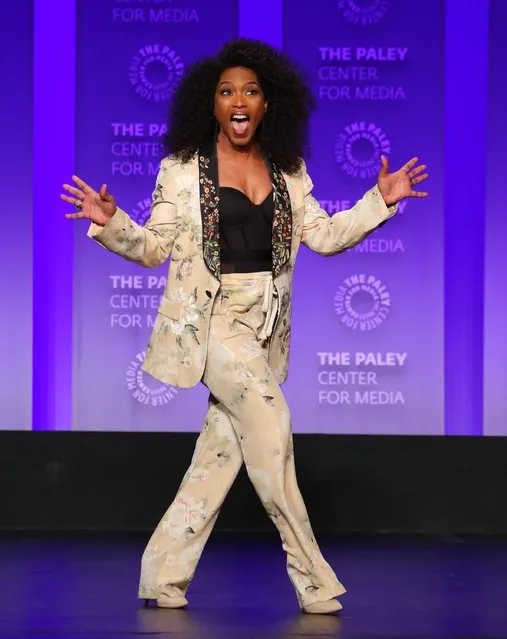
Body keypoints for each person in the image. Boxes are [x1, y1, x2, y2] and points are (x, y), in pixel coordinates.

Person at [61, 38, 428, 615]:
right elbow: (156, 247)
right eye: (226, 91)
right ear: (210, 104)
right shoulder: (181, 172)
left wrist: (379, 202)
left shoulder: (289, 171)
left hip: (264, 327)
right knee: (273, 425)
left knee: (220, 456)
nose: (239, 100)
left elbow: (326, 237)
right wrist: (112, 224)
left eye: (250, 91)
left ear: (267, 104)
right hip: (211, 322)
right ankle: (312, 576)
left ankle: (162, 573)